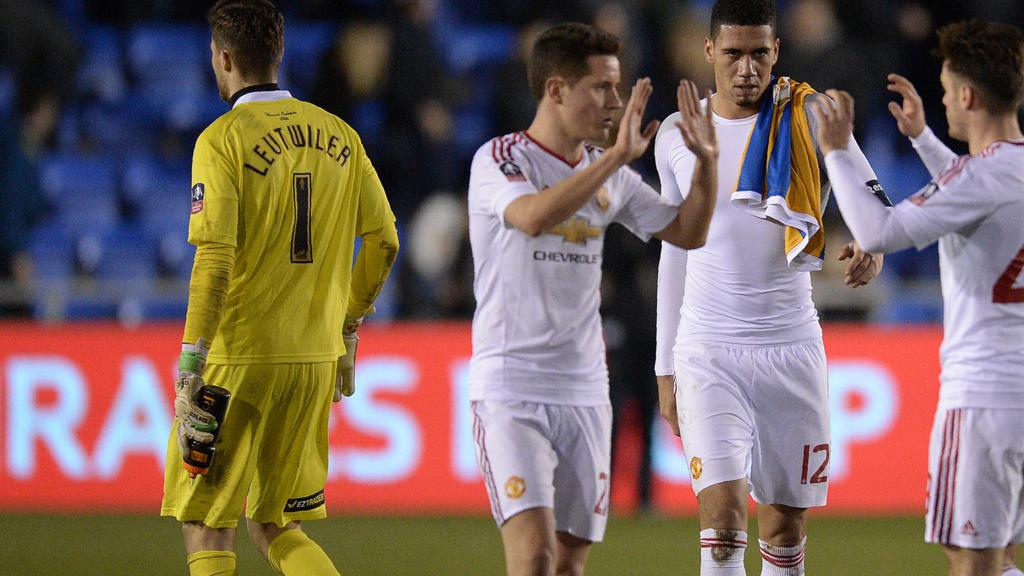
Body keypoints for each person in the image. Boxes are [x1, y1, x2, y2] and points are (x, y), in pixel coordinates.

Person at [467, 22, 718, 576]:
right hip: (512, 385)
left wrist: (706, 162)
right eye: (602, 87)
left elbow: (688, 232)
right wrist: (613, 159)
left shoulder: (615, 178)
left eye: (618, 87)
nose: (616, 102)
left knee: (569, 563)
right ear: (556, 90)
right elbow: (531, 217)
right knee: (534, 556)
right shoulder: (500, 158)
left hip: (583, 387)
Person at [160, 2, 399, 575]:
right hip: (314, 358)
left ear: (222, 58)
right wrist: (348, 324)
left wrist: (192, 359)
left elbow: (215, 258)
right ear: (279, 54)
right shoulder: (340, 134)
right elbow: (385, 239)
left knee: (206, 525)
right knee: (274, 524)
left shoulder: (222, 141)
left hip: (237, 360)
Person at [653, 1, 884, 574]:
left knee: (784, 528)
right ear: (710, 53)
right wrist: (664, 367)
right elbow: (675, 249)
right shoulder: (676, 134)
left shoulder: (811, 115)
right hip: (708, 349)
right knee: (724, 522)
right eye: (733, 54)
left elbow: (873, 204)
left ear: (776, 51)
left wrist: (871, 248)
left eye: (759, 53)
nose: (747, 68)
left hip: (791, 346)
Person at [811, 19, 1024, 576]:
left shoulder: (979, 179)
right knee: (1001, 556)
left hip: (982, 396)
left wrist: (837, 150)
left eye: (950, 91)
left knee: (971, 559)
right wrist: (923, 139)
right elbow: (974, 196)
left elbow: (880, 231)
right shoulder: (1009, 171)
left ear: (969, 96)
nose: (946, 101)